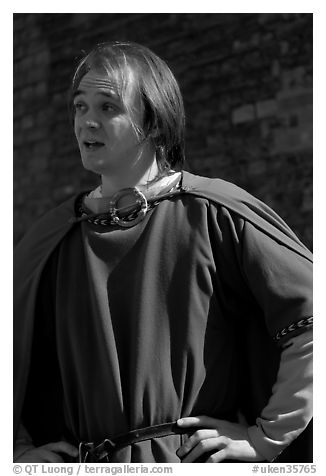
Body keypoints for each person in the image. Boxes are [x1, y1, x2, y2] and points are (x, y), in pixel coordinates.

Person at [13, 41, 313, 464]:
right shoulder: (51, 238)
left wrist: (267, 437)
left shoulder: (215, 213)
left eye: (108, 107)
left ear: (153, 121)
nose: (87, 122)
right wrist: (17, 449)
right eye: (80, 107)